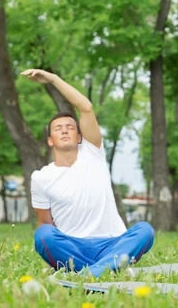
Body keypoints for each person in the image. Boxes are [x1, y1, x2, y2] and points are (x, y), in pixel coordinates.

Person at [21, 69, 154, 277]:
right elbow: (46, 223)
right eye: (58, 128)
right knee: (43, 235)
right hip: (73, 248)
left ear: (80, 137)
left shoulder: (93, 152)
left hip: (112, 243)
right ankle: (106, 269)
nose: (64, 130)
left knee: (145, 231)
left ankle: (86, 274)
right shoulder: (40, 177)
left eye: (70, 127)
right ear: (50, 140)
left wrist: (54, 79)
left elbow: (86, 107)